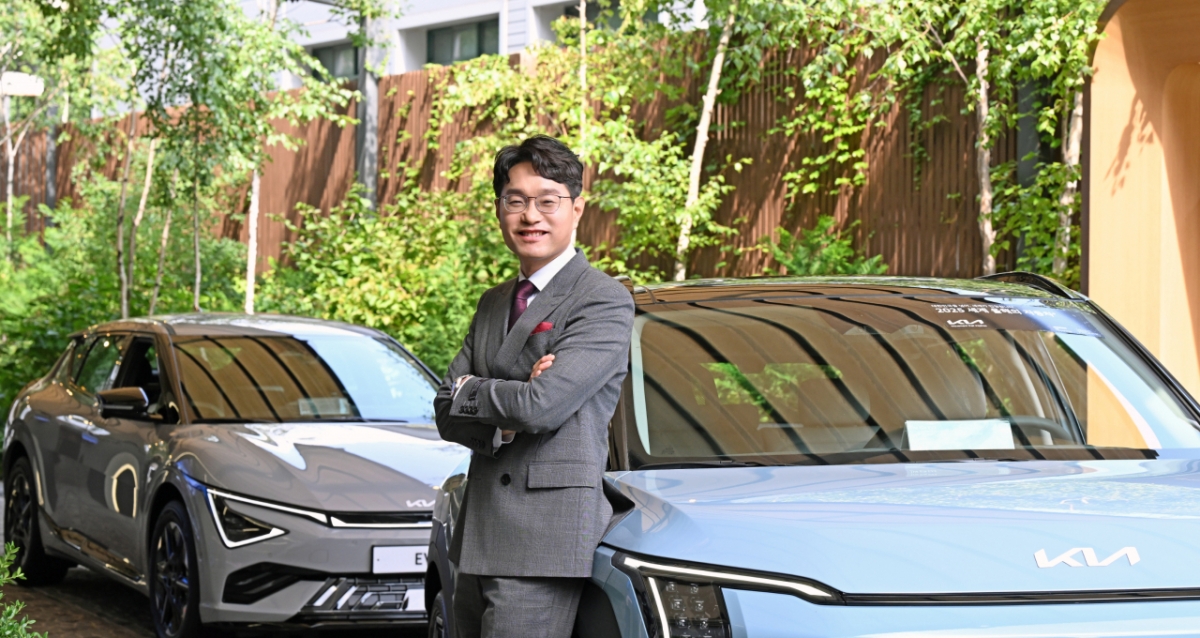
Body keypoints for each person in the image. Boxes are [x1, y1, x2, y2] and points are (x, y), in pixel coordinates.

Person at [433, 135, 635, 638]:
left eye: (548, 201)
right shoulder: (493, 302)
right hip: (477, 530)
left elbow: (541, 407)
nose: (530, 216)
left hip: (544, 538)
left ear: (577, 209)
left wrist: (478, 390)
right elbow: (443, 408)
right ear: (499, 209)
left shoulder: (602, 299)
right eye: (516, 201)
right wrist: (508, 407)